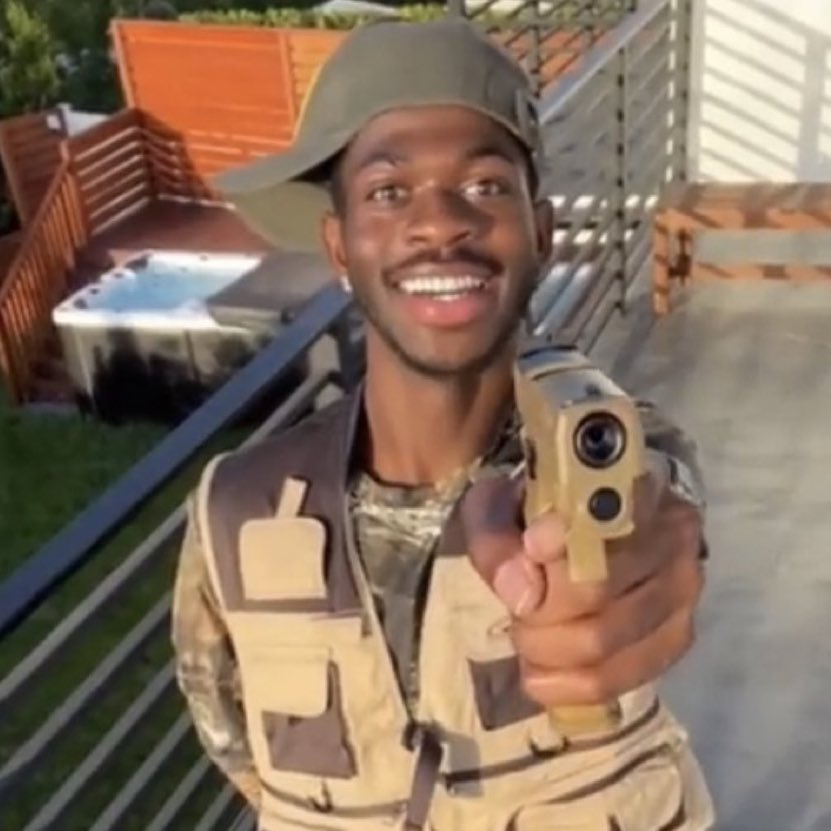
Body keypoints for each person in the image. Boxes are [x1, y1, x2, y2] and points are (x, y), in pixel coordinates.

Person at [171, 17, 715, 831]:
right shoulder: (234, 506)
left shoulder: (612, 451)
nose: (439, 222)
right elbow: (231, 736)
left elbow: (661, 503)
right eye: (388, 192)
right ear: (339, 246)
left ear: (542, 232)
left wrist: (638, 563)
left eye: (485, 185)